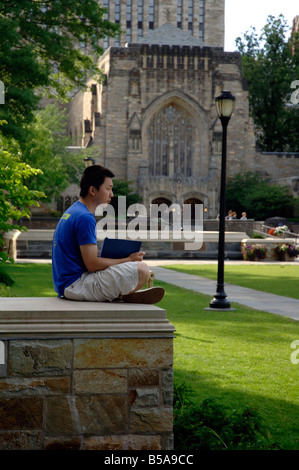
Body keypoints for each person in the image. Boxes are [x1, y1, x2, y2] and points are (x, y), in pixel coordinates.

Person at [52, 165, 164, 304]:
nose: (111, 194)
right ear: (93, 190)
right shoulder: (84, 217)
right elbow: (92, 264)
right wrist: (129, 259)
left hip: (67, 284)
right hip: (77, 285)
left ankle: (120, 294)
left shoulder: (73, 211)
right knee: (142, 270)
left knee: (131, 268)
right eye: (108, 188)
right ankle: (122, 294)